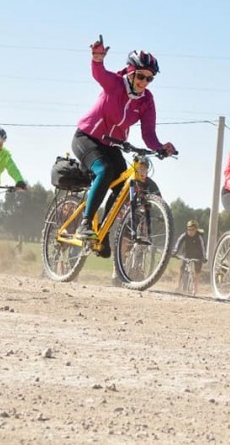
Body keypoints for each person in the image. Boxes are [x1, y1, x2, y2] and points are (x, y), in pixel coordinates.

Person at [72, 34, 177, 256]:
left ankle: (102, 233)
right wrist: (97, 58)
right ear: (130, 72)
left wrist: (160, 147)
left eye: (149, 79)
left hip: (113, 145)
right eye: (140, 76)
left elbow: (148, 133)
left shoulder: (147, 100)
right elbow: (99, 74)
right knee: (105, 170)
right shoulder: (115, 85)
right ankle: (86, 223)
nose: (143, 82)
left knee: (121, 189)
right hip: (87, 137)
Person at [110, 158, 161, 286]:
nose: (142, 171)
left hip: (143, 216)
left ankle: (139, 266)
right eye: (140, 168)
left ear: (148, 170)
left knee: (144, 238)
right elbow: (119, 198)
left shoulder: (151, 184)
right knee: (123, 242)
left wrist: (159, 214)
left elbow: (160, 201)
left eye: (145, 168)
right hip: (127, 215)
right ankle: (116, 271)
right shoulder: (131, 181)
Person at [172, 220, 208, 293]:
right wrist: (174, 252)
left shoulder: (200, 236)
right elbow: (178, 243)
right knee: (182, 269)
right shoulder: (184, 235)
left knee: (197, 271)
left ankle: (195, 288)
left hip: (198, 256)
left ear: (196, 229)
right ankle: (179, 286)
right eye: (189, 229)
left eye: (192, 230)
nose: (190, 231)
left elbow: (203, 248)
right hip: (187, 254)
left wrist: (204, 257)